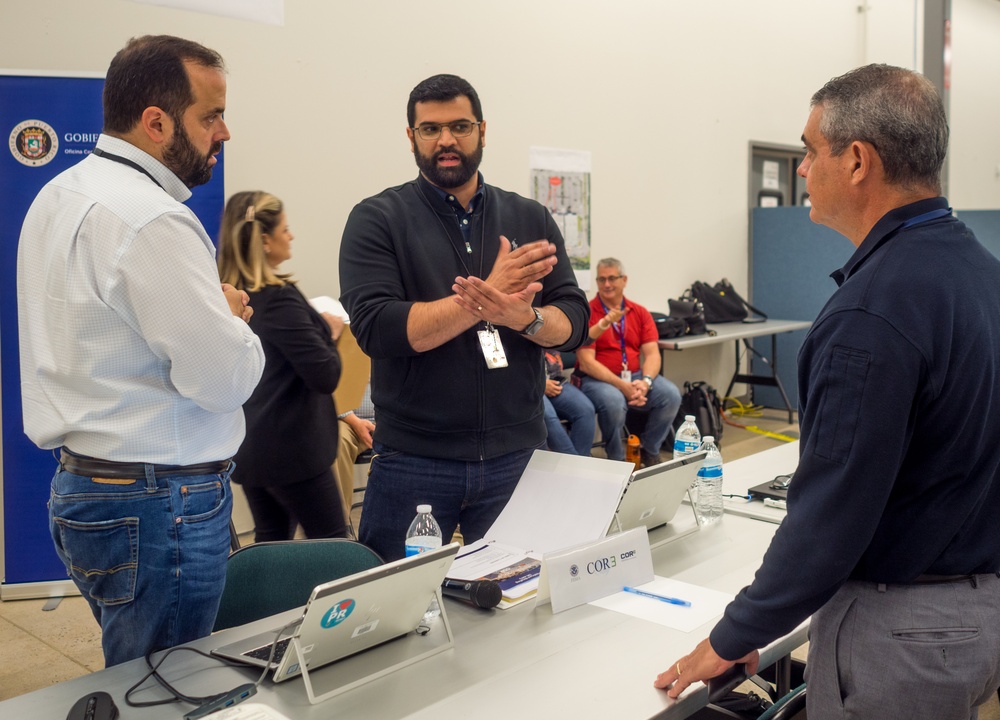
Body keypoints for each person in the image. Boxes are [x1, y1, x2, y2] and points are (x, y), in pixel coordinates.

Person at [655, 64, 1000, 720]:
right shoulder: (982, 273)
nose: (803, 170)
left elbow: (830, 521)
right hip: (976, 612)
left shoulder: (871, 313)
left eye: (812, 152)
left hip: (903, 631)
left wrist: (734, 636)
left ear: (859, 160)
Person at [16, 35, 265, 666]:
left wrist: (207, 313)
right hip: (160, 506)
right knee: (164, 693)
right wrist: (231, 320)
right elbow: (224, 379)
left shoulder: (58, 195)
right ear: (156, 122)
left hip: (88, 489)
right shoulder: (151, 218)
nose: (224, 132)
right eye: (210, 116)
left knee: (138, 679)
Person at [339, 73, 589, 561]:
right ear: (411, 137)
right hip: (414, 461)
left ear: (482, 130)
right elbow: (377, 328)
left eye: (460, 126)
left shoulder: (530, 216)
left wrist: (525, 319)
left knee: (516, 607)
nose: (447, 140)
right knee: (398, 617)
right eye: (431, 129)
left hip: (518, 455)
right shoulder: (377, 219)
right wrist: (485, 296)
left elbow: (573, 319)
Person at [219, 191, 348, 542]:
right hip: (293, 453)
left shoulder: (231, 298)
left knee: (271, 546)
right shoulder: (279, 299)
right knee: (334, 545)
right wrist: (331, 331)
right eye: (285, 229)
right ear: (264, 239)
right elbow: (325, 375)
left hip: (250, 448)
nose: (290, 236)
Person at [575, 258, 681, 467]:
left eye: (612, 278)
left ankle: (649, 450)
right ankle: (617, 459)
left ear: (624, 280)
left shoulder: (639, 312)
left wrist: (646, 382)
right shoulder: (588, 312)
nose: (607, 284)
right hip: (596, 380)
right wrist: (622, 386)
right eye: (602, 279)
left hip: (634, 377)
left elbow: (652, 354)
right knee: (614, 401)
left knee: (670, 395)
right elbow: (587, 363)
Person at [333, 381, 375, 531]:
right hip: (349, 420)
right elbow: (331, 393)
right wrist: (355, 422)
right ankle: (340, 526)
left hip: (389, 418)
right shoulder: (346, 356)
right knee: (335, 442)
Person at [542, 351, 596, 456]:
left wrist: (555, 353)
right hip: (527, 384)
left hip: (553, 378)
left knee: (585, 410)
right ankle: (574, 467)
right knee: (547, 416)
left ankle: (581, 462)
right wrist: (540, 383)